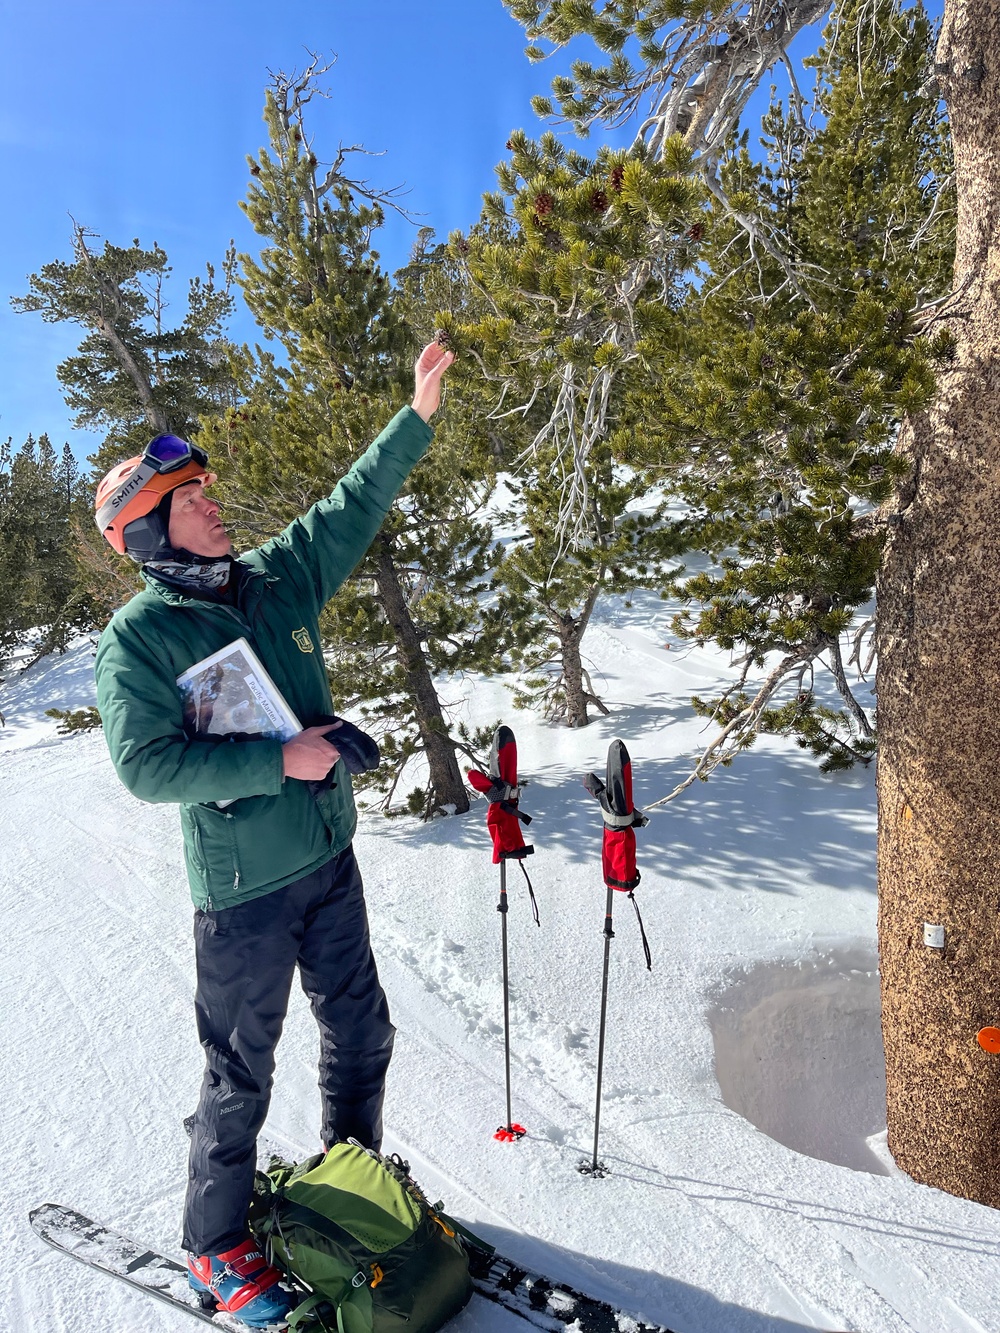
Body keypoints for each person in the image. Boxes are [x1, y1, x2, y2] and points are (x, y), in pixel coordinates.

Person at [93, 342, 454, 1328]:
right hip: (245, 894)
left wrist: (415, 414)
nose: (214, 502)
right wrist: (277, 760)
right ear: (150, 535)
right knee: (240, 1071)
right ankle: (214, 1247)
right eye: (191, 497)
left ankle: (354, 1185)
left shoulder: (273, 581)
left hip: (327, 863)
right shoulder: (142, 639)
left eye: (206, 489)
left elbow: (350, 503)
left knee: (362, 1030)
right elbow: (145, 766)